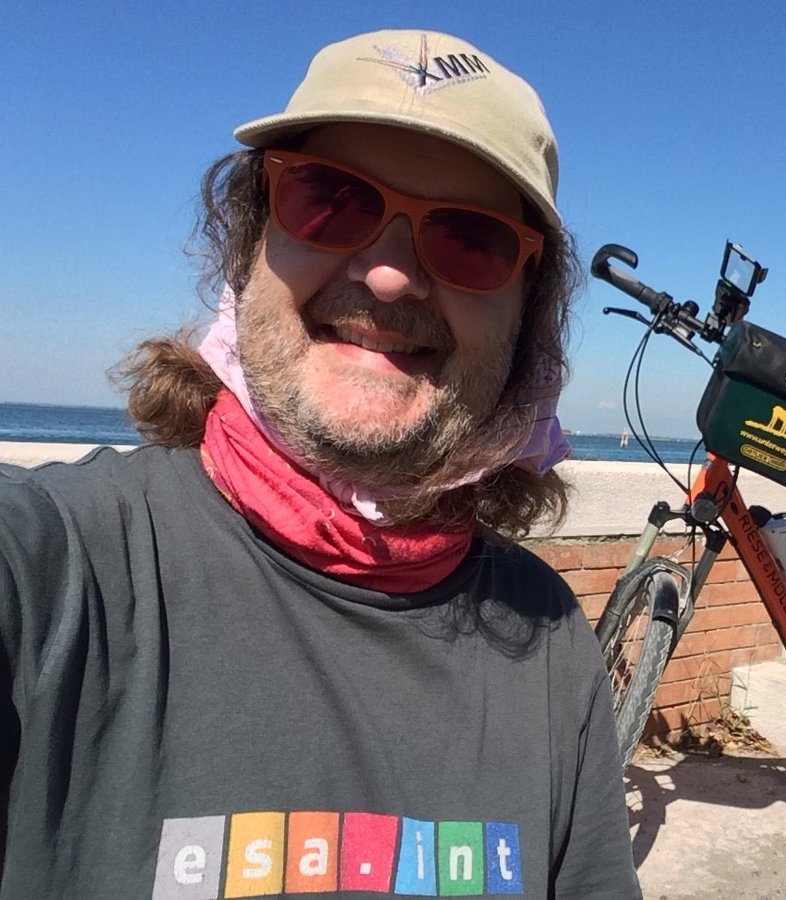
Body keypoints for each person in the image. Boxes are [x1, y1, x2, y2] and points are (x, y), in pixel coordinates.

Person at [0, 30, 641, 898]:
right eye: (330, 198)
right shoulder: (55, 568)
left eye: (471, 239)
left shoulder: (550, 637)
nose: (388, 276)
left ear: (529, 318)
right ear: (248, 240)